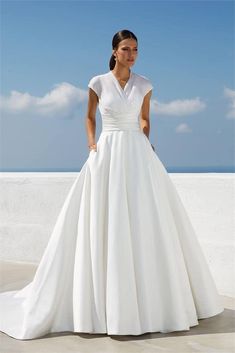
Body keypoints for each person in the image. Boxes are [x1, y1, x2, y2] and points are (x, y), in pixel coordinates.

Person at [0, 29, 224, 340]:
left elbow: (145, 120)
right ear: (114, 51)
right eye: (126, 49)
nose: (131, 54)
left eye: (135, 49)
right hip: (106, 153)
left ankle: (152, 303)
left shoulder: (144, 84)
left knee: (145, 220)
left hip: (137, 153)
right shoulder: (97, 82)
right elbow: (90, 117)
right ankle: (103, 305)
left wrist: (147, 139)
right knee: (105, 221)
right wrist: (92, 144)